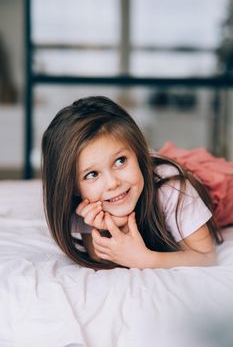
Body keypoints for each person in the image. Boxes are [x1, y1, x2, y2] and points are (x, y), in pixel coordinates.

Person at [41, 96, 223, 270]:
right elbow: (99, 256)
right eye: (92, 174)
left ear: (138, 154)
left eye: (120, 161)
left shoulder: (173, 186)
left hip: (216, 184)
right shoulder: (86, 206)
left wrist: (148, 260)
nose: (113, 183)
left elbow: (206, 257)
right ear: (72, 187)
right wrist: (111, 225)